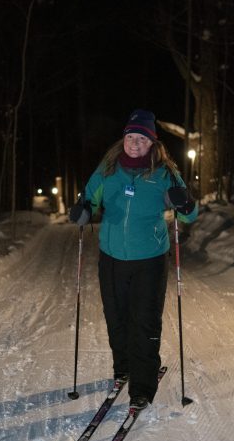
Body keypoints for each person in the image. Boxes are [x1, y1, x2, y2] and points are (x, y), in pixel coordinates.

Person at [69, 109, 198, 410]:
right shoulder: (108, 169)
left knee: (144, 322)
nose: (135, 143)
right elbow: (88, 200)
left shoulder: (164, 173)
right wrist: (83, 211)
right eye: (131, 137)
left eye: (142, 139)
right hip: (111, 257)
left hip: (150, 260)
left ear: (152, 142)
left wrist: (183, 202)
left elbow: (189, 213)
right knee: (116, 317)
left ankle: (142, 385)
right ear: (124, 138)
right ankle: (123, 368)